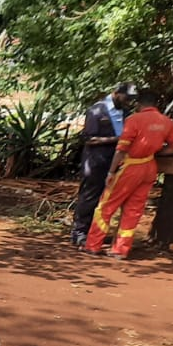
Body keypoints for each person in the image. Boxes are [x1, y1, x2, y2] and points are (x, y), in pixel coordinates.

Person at [83, 88, 173, 259]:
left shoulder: (134, 120)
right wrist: (154, 152)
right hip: (149, 167)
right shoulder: (167, 122)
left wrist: (111, 171)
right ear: (155, 103)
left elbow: (121, 149)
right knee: (134, 210)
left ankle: (93, 245)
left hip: (130, 168)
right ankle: (121, 250)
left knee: (106, 206)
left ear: (138, 103)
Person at [70, 83, 135, 246]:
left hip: (116, 161)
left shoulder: (126, 113)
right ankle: (80, 232)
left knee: (106, 199)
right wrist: (116, 139)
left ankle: (95, 232)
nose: (128, 102)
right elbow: (88, 139)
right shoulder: (97, 110)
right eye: (126, 98)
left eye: (131, 99)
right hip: (95, 161)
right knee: (90, 195)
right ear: (116, 93)